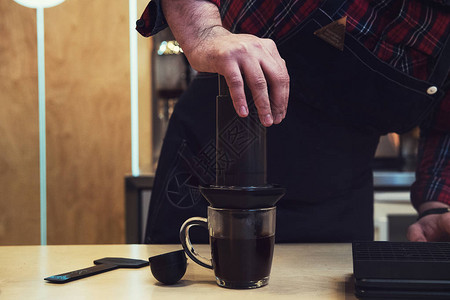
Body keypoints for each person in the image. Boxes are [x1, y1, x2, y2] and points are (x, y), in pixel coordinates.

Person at [136, 0, 450, 243]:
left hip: (336, 196)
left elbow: (444, 126)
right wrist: (205, 33)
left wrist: (435, 206)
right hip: (217, 162)